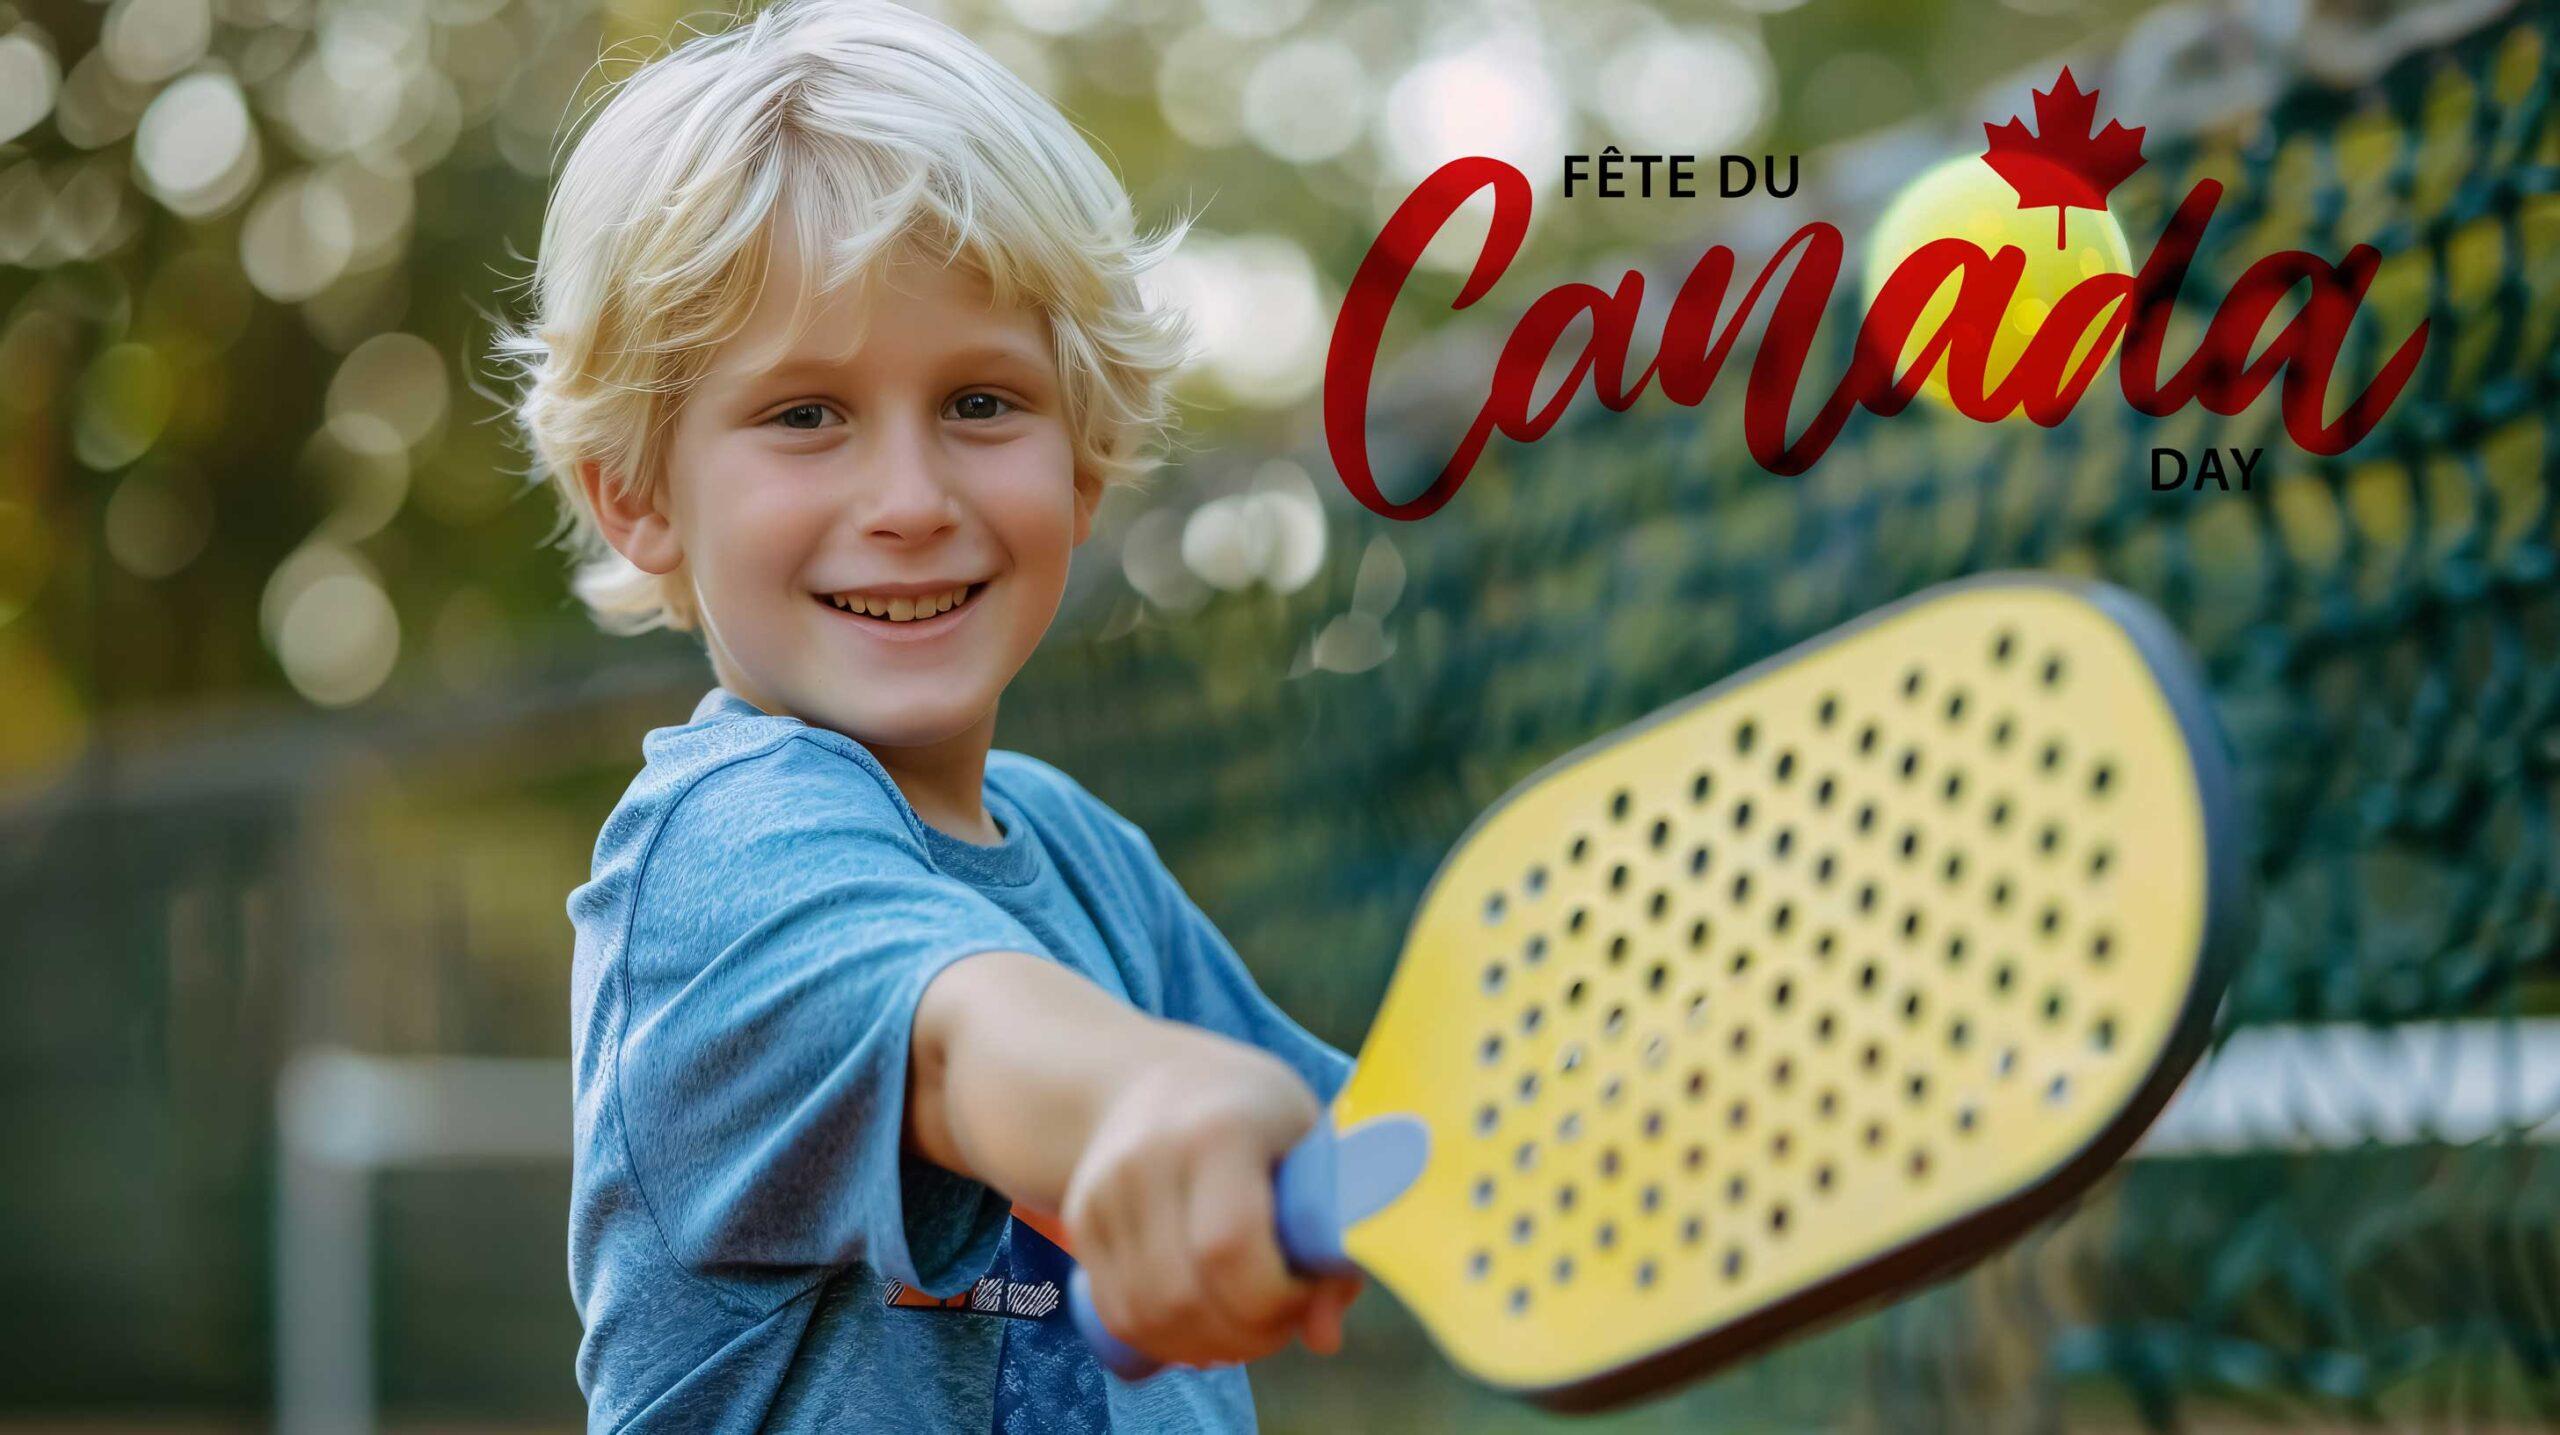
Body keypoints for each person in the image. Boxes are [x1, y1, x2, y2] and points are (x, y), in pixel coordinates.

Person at [491, 2, 1361, 1428]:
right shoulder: (714, 854)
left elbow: (1363, 1147)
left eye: (979, 402)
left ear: (1083, 464)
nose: (908, 500)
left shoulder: (1083, 852)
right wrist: (1139, 1103)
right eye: (804, 415)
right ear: (637, 495)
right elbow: (961, 1038)